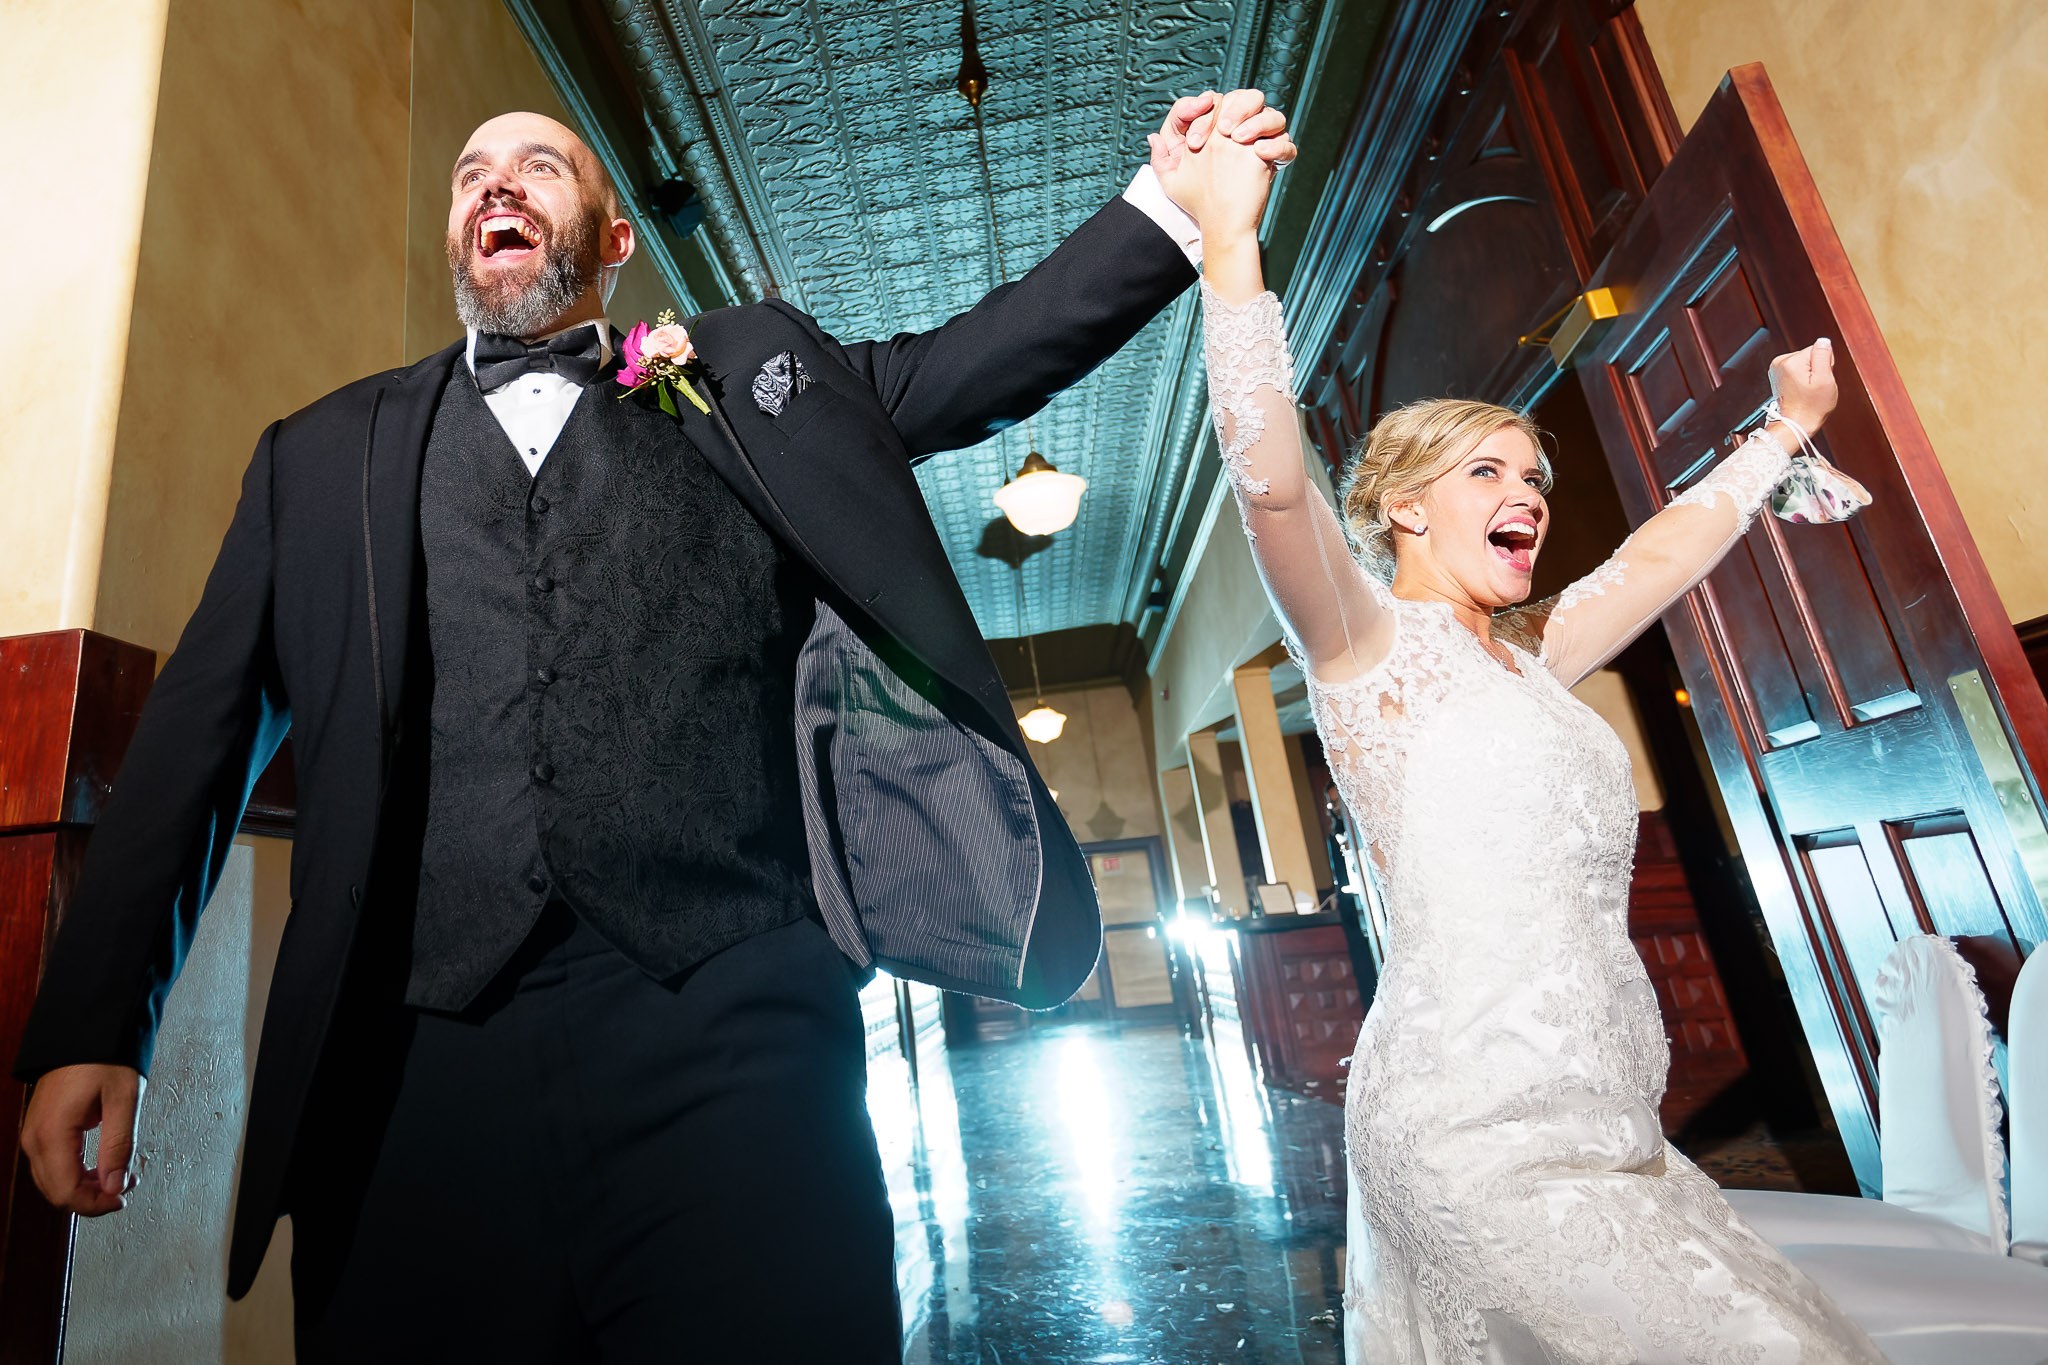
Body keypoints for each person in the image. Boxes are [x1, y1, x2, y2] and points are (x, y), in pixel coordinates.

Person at [14, 97, 1295, 1361]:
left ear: (615, 241)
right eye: (470, 173)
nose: (495, 183)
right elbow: (194, 737)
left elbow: (976, 360)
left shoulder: (746, 383)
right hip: (411, 1069)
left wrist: (1169, 208)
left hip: (734, 1038)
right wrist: (97, 1021)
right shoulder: (320, 455)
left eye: (538, 165)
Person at [1156, 120, 1888, 1362]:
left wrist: (1778, 431)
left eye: (1535, 479)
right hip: (1466, 1129)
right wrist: (1229, 247)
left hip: (1611, 1126)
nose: (1527, 498)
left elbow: (1655, 557)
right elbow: (1273, 486)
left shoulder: (1529, 662)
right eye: (1486, 474)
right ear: (1401, 506)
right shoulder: (1360, 649)